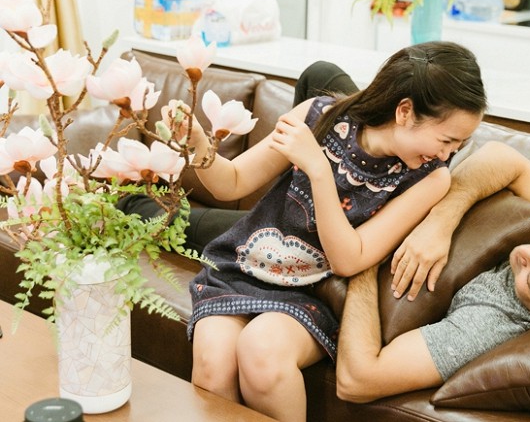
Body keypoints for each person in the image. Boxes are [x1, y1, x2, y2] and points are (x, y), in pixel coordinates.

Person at [142, 41, 486, 422]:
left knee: (262, 353)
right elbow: (233, 181)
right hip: (242, 270)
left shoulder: (430, 179)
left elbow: (350, 259)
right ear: (405, 112)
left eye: (458, 145)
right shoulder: (319, 114)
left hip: (316, 292)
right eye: (446, 140)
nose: (447, 154)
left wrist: (319, 170)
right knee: (213, 364)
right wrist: (198, 143)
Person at [335, 140, 530, 403]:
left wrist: (367, 257)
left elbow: (358, 382)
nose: (524, 252)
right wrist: (441, 221)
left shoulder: (489, 326)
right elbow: (504, 158)